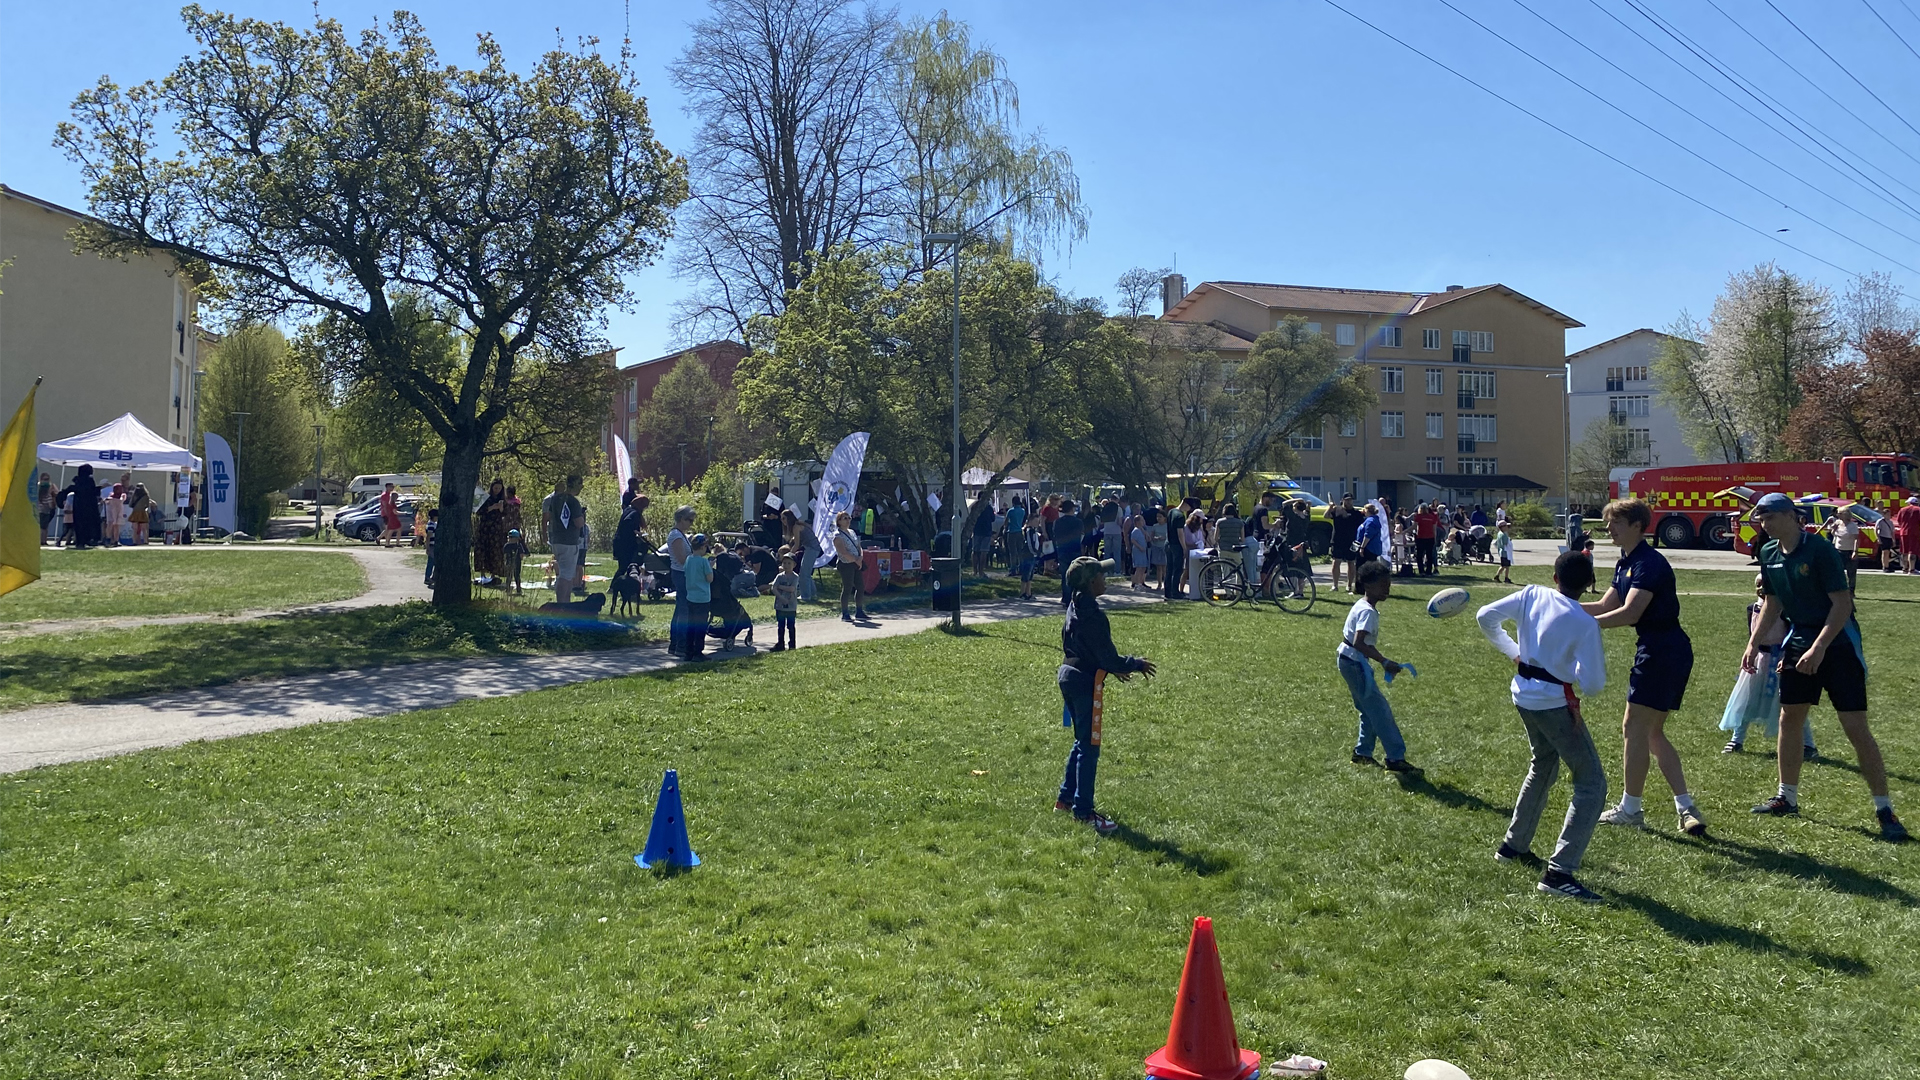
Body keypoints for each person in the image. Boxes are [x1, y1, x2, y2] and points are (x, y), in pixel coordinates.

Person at [1744, 493, 1907, 842]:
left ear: (1791, 516)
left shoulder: (1820, 550)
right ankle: (1786, 797)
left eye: (1769, 516)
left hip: (1838, 647)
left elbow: (1842, 604)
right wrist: (1753, 643)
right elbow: (1772, 603)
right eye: (1760, 517)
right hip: (1798, 644)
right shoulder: (1769, 553)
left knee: (1855, 727)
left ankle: (1884, 808)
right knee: (1790, 719)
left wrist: (1819, 648)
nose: (1763, 522)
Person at [1475, 550, 1610, 903]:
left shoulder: (1531, 594)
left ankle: (1513, 846)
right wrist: (1573, 671)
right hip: (1553, 704)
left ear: (1555, 576)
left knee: (1544, 763)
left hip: (1523, 696)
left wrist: (1514, 651)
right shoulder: (1584, 622)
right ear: (1590, 584)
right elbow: (1594, 685)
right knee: (1592, 783)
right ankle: (1559, 872)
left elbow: (1485, 616)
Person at [1585, 498, 1707, 838]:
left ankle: (1631, 809)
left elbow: (1629, 613)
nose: (1608, 528)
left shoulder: (1649, 564)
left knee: (1634, 727)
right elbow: (1605, 604)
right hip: (1660, 649)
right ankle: (1685, 806)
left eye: (1616, 522)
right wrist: (1561, 606)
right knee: (1650, 732)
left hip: (1662, 650)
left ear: (1637, 525)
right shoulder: (1627, 562)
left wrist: (1582, 627)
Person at [1054, 556, 1157, 835]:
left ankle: (1064, 799)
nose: (1106, 579)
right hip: (1085, 681)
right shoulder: (1094, 616)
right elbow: (1107, 656)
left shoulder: (1075, 604)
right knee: (1090, 746)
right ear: (1090, 583)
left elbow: (1093, 652)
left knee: (1081, 740)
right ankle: (1083, 811)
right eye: (1101, 575)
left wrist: (1110, 666)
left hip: (1068, 674)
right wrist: (1134, 663)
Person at [1721, 573, 1819, 757]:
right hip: (1759, 660)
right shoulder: (1752, 608)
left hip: (1780, 659)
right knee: (1746, 700)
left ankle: (1808, 745)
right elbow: (1753, 635)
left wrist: (1788, 657)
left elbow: (1791, 635)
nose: (1761, 589)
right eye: (1758, 585)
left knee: (1791, 703)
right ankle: (1736, 740)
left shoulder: (1783, 610)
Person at [1339, 559, 1417, 772]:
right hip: (1354, 662)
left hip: (1349, 660)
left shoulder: (1363, 605)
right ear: (1368, 585)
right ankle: (1395, 758)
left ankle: (1362, 753)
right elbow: (1359, 642)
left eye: (1389, 585)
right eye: (1383, 585)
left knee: (1368, 710)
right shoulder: (1368, 612)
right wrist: (1384, 661)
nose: (1387, 589)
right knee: (1381, 712)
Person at [542, 475, 587, 602]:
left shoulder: (555, 499)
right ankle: (562, 603)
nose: (581, 487)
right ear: (575, 484)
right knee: (566, 575)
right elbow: (578, 523)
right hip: (569, 541)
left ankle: (564, 601)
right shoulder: (573, 502)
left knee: (563, 572)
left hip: (556, 538)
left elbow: (548, 516)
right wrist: (582, 517)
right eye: (580, 484)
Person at [666, 506, 696, 658]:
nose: (691, 523)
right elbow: (682, 559)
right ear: (681, 519)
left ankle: (674, 644)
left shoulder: (681, 535)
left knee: (680, 609)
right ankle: (681, 645)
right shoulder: (676, 536)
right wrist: (697, 562)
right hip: (681, 574)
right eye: (689, 520)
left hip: (682, 573)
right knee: (684, 610)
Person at [682, 534, 714, 661]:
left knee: (691, 625)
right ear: (702, 547)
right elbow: (709, 579)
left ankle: (688, 651)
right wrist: (710, 568)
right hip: (702, 598)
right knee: (700, 626)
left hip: (690, 596)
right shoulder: (703, 562)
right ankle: (698, 652)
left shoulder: (688, 560)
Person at [833, 510, 869, 622]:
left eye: (849, 518)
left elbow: (859, 546)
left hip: (856, 562)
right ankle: (845, 613)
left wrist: (860, 558)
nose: (848, 520)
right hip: (846, 564)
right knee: (847, 587)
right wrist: (855, 559)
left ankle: (859, 611)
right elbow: (843, 552)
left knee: (860, 586)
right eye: (845, 518)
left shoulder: (852, 532)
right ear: (839, 522)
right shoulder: (837, 535)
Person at [57, 465, 102, 550]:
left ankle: (80, 541)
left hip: (79, 506)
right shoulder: (89, 481)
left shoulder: (78, 482)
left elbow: (71, 490)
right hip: (89, 507)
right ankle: (87, 540)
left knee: (79, 524)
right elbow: (92, 492)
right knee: (88, 523)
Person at [474, 479, 508, 585]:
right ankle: (482, 574)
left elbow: (505, 514)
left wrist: (501, 508)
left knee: (495, 550)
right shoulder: (485, 498)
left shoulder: (503, 500)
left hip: (497, 529)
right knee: (483, 549)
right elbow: (479, 511)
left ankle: (494, 574)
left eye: (499, 488)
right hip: (485, 527)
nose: (497, 490)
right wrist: (492, 507)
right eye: (495, 488)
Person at [1327, 493, 1362, 594]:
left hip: (1352, 542)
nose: (1349, 502)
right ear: (1342, 500)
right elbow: (1326, 516)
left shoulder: (1357, 513)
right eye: (1347, 500)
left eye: (1350, 500)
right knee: (1336, 562)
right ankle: (1335, 585)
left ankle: (1349, 585)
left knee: (1351, 563)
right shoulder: (1337, 510)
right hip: (1337, 540)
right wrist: (1330, 507)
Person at [1213, 502, 1248, 586]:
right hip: (1235, 549)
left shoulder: (1220, 522)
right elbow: (1242, 539)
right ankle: (1238, 590)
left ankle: (1228, 592)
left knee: (1225, 570)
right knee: (1239, 570)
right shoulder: (1240, 523)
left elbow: (1215, 538)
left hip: (1223, 548)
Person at [771, 553, 800, 651]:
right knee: (781, 626)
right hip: (779, 606)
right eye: (784, 563)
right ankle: (780, 643)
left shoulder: (795, 577)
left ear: (794, 565)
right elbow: (773, 588)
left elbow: (792, 589)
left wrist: (780, 587)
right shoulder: (779, 576)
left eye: (789, 563)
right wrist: (780, 597)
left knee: (791, 626)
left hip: (791, 606)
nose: (786, 565)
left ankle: (792, 644)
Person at [971, 494, 997, 575]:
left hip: (977, 530)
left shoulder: (974, 506)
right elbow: (993, 519)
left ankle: (975, 571)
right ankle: (981, 571)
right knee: (983, 552)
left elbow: (971, 518)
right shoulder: (988, 507)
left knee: (975, 551)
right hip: (986, 531)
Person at [1895, 495, 1920, 574]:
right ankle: (1911, 569)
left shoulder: (1902, 510)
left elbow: (1899, 521)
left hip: (1903, 532)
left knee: (1904, 551)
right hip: (1915, 533)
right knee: (1912, 551)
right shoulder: (1918, 510)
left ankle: (1904, 568)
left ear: (1909, 503)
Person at [377, 482, 404, 547]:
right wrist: (388, 515)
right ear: (387, 487)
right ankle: (386, 542)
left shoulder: (391, 494)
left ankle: (380, 538)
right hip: (386, 514)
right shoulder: (384, 495)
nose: (392, 488)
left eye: (393, 487)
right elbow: (385, 506)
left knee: (389, 529)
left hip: (391, 514)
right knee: (389, 529)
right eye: (391, 487)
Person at [1127, 513, 1150, 589]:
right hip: (1138, 551)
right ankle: (1136, 583)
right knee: (1139, 567)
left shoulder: (1141, 530)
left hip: (1143, 550)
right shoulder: (1135, 530)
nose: (1143, 522)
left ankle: (1140, 582)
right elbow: (1133, 540)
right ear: (1137, 522)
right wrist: (1140, 547)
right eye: (1141, 520)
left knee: (1143, 567)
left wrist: (1145, 533)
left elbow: (1148, 539)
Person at [504, 528, 529, 596]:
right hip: (517, 563)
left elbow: (505, 555)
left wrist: (505, 562)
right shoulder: (518, 546)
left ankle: (508, 589)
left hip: (510, 563)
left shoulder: (506, 546)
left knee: (509, 576)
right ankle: (518, 589)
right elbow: (521, 555)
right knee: (516, 576)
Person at [1875, 509, 1898, 573]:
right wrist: (1878, 538)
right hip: (1883, 537)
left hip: (1889, 538)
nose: (1888, 515)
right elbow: (1876, 530)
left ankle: (1887, 565)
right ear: (1884, 514)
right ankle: (1884, 566)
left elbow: (1892, 532)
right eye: (1887, 514)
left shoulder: (1890, 522)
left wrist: (1893, 540)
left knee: (1888, 553)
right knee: (1884, 552)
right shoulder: (1880, 521)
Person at [421, 508, 440, 586]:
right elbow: (428, 536)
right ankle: (427, 577)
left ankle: (434, 577)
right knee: (431, 562)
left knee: (436, 562)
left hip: (435, 545)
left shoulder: (434, 524)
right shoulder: (431, 525)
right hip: (432, 545)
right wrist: (427, 547)